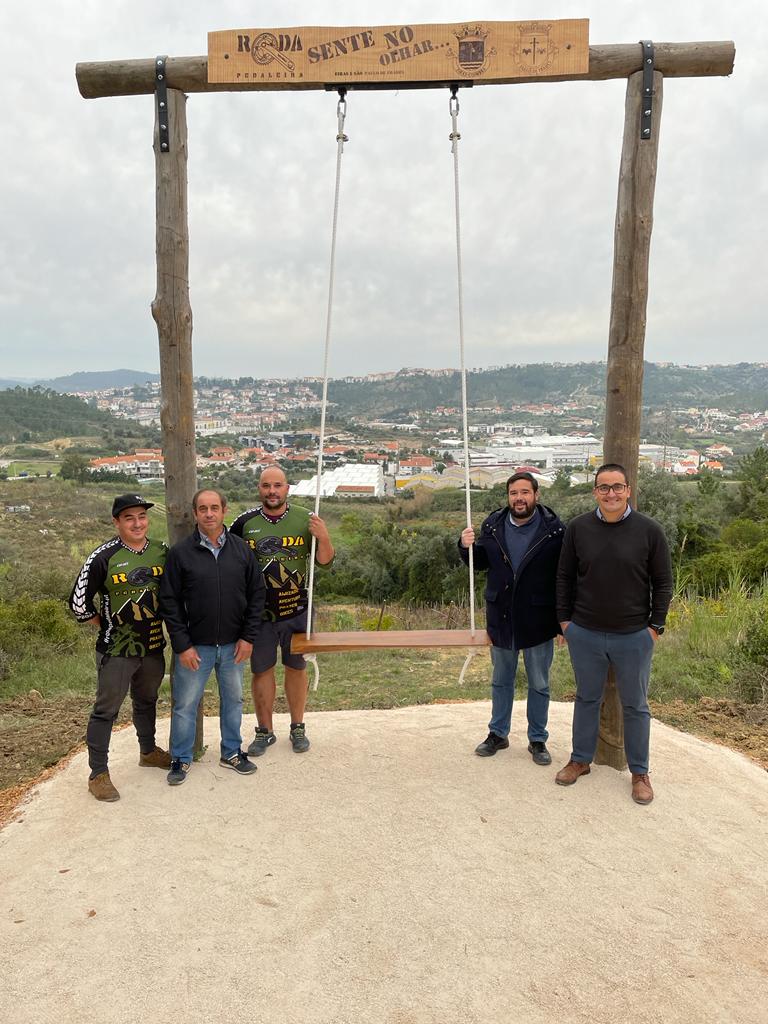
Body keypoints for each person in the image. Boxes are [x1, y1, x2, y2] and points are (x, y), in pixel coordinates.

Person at [555, 463, 673, 805]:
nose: (611, 494)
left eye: (617, 487)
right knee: (586, 698)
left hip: (634, 635)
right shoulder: (578, 528)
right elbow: (563, 578)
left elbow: (663, 582)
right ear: (595, 492)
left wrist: (655, 627)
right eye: (604, 487)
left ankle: (640, 773)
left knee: (635, 705)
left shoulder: (650, 530)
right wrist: (565, 622)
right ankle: (580, 760)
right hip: (585, 633)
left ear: (628, 490)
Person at [159, 488, 265, 785]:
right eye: (202, 508)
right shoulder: (181, 553)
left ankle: (231, 752)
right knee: (185, 705)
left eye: (214, 508)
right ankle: (180, 758)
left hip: (234, 646)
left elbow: (257, 595)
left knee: (233, 700)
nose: (208, 513)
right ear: (195, 513)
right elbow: (169, 601)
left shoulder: (242, 550)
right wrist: (182, 645)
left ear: (223, 511)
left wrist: (248, 638)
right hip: (195, 648)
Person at [69, 493, 170, 802]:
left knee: (146, 701)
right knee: (105, 712)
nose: (137, 523)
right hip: (117, 651)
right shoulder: (103, 557)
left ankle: (148, 751)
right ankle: (97, 774)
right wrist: (108, 624)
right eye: (129, 518)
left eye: (141, 516)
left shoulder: (161, 552)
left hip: (153, 645)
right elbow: (78, 604)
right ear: (117, 522)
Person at [459, 471, 565, 765]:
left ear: (536, 495)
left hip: (539, 619)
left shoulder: (555, 531)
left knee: (540, 683)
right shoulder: (493, 526)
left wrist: (562, 621)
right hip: (502, 617)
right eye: (513, 493)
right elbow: (479, 563)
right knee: (501, 681)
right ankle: (498, 734)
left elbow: (563, 577)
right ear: (508, 497)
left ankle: (538, 739)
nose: (519, 498)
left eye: (524, 492)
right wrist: (465, 546)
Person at [230, 466, 334, 755]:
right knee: (261, 670)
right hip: (258, 613)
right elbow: (226, 559)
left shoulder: (306, 518)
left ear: (287, 488)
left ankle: (297, 727)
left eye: (277, 485)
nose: (272, 491)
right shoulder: (244, 523)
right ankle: (265, 731)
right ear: (259, 489)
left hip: (297, 609)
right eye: (266, 486)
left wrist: (323, 537)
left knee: (296, 668)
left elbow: (325, 562)